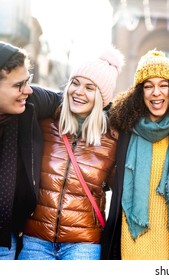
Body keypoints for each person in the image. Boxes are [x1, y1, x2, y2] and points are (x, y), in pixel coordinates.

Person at [100, 50, 169, 260]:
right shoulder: (122, 129)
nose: (156, 93)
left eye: (163, 85)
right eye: (148, 86)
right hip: (130, 238)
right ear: (139, 93)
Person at [17, 47, 124, 260]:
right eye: (75, 83)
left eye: (90, 88)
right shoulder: (45, 123)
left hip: (83, 244)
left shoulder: (112, 139)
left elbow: (123, 186)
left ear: (102, 98)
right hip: (36, 240)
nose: (79, 92)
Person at [0, 41, 61, 259]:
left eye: (28, 81)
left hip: (6, 240)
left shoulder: (31, 101)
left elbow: (70, 102)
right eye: (19, 85)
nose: (27, 89)